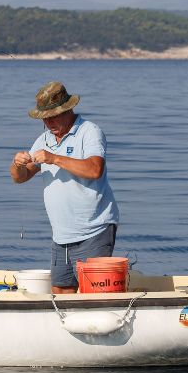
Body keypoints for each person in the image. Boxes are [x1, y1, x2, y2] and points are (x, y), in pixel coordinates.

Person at [9, 82, 119, 295]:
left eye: (54, 115)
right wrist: (17, 163)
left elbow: (95, 169)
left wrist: (54, 158)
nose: (49, 122)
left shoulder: (90, 131)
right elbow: (20, 178)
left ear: (68, 109)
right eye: (45, 117)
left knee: (94, 295)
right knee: (61, 291)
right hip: (61, 236)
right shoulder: (43, 140)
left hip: (94, 230)